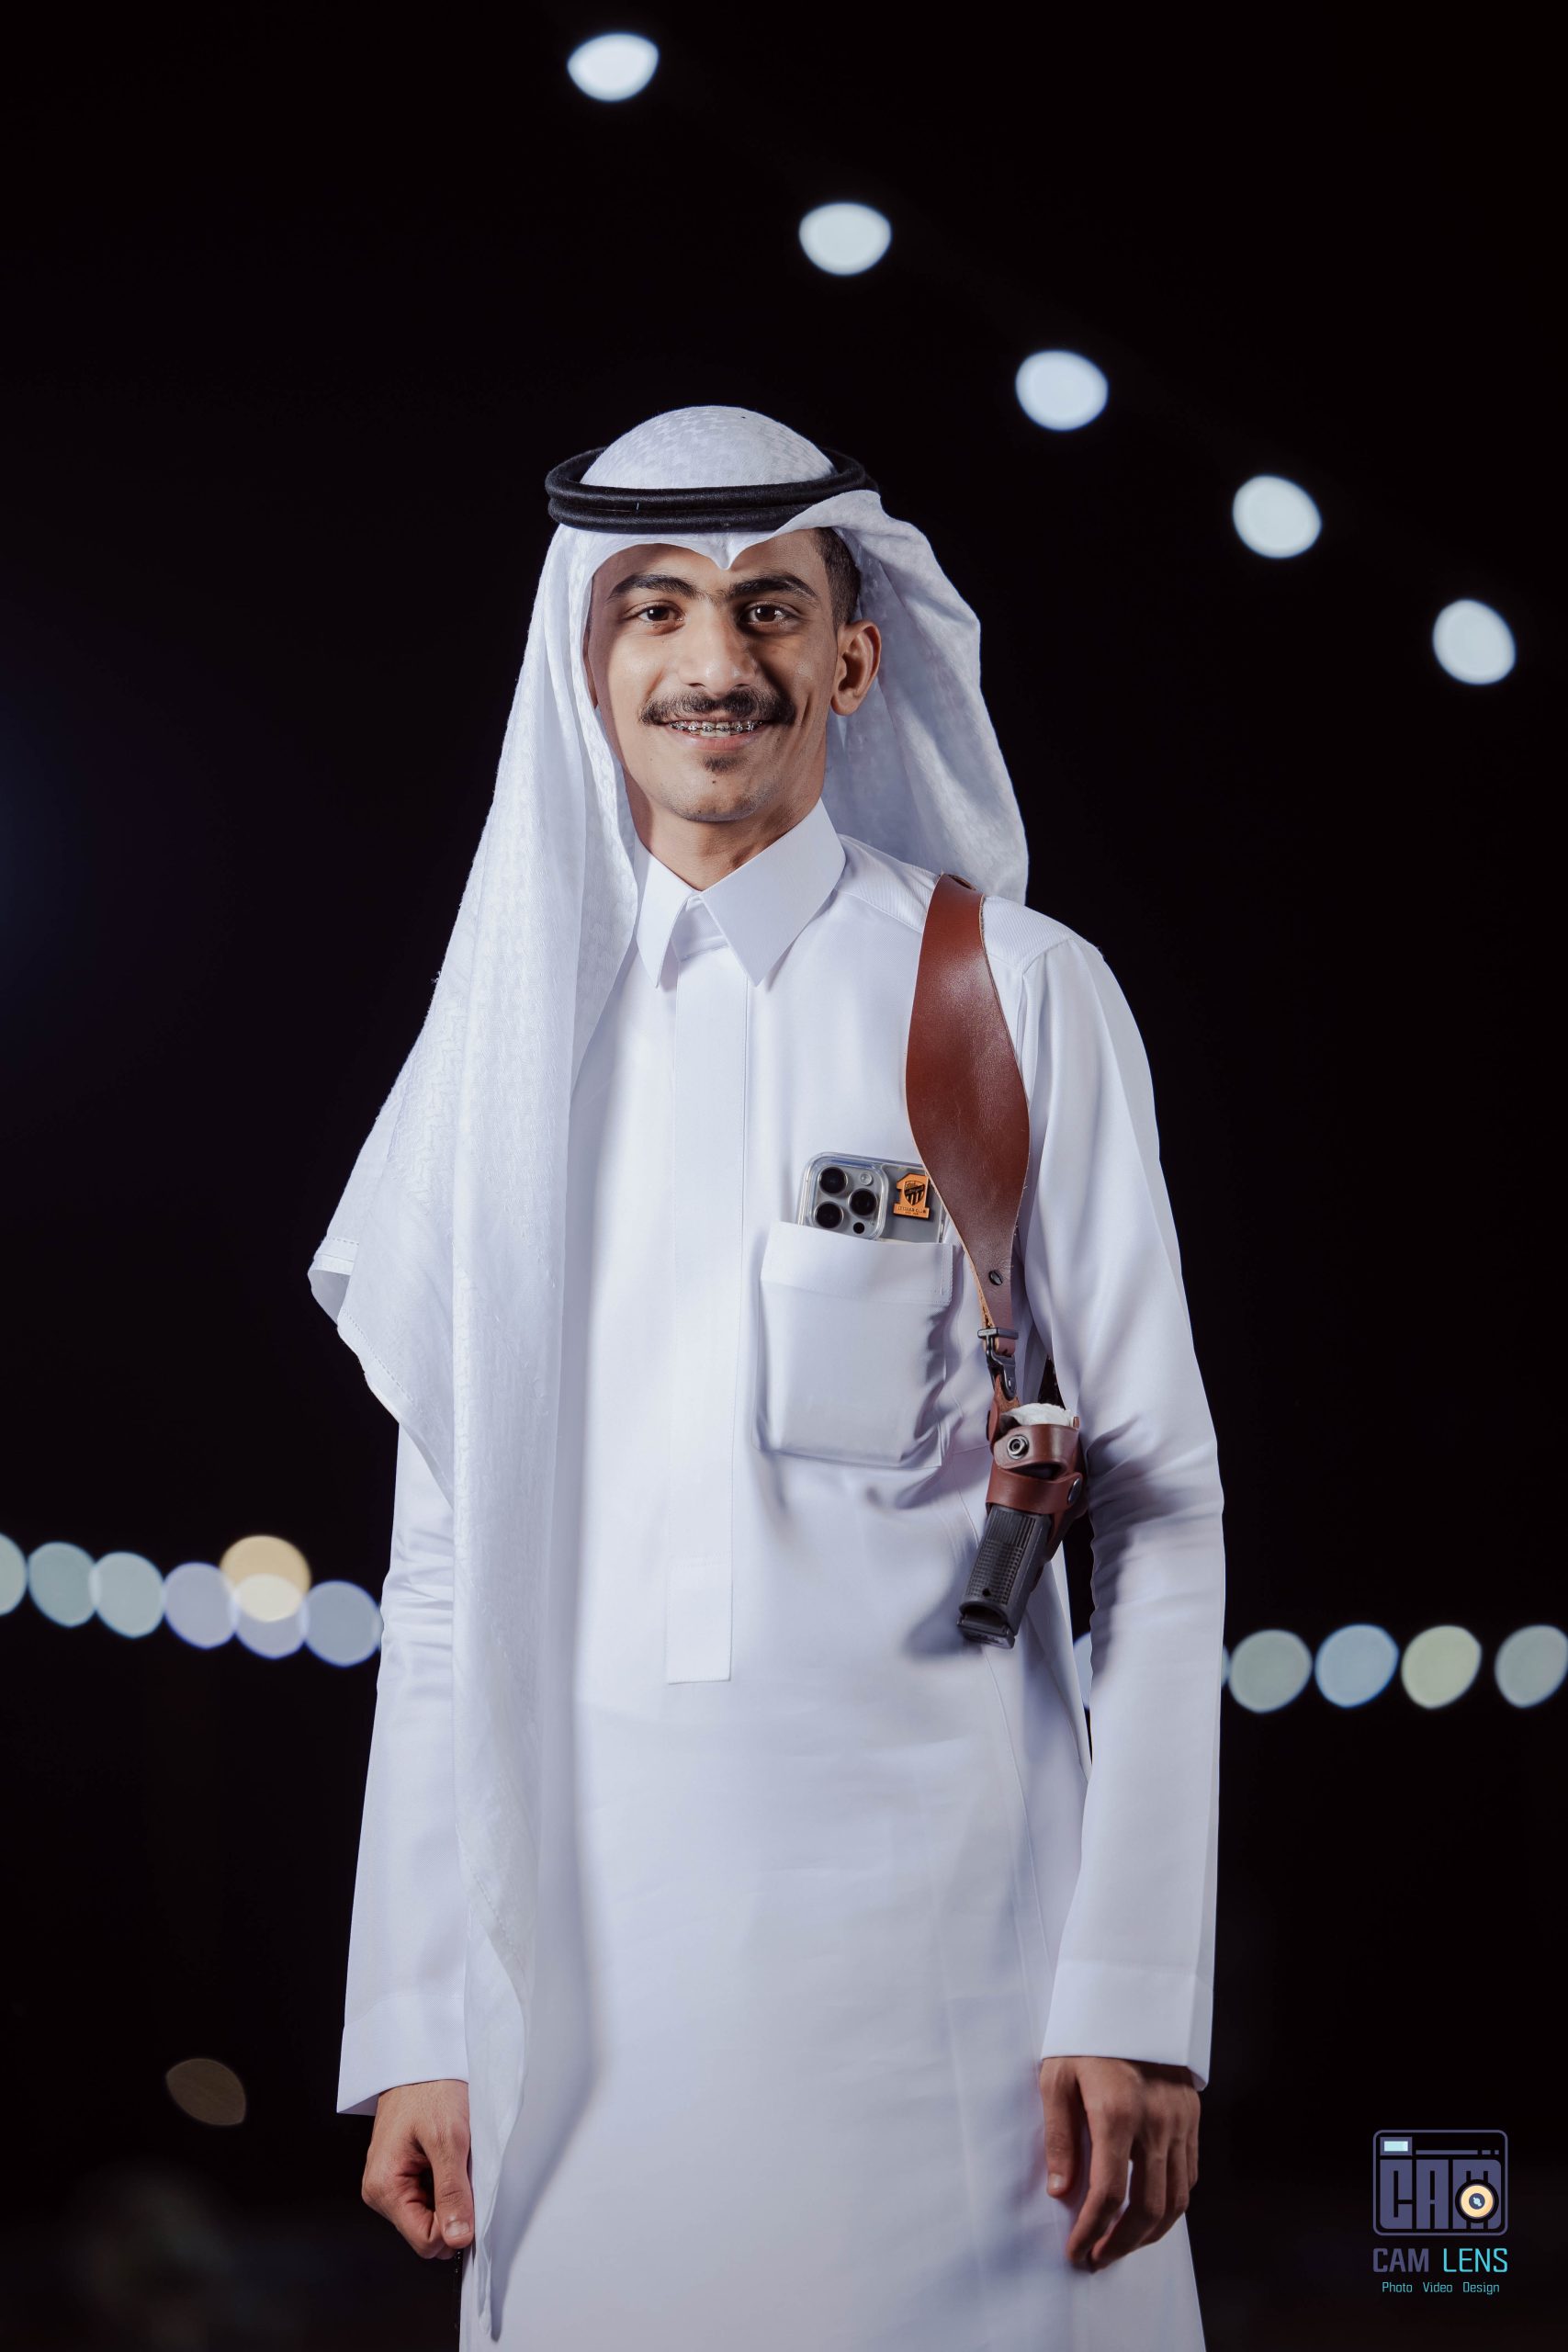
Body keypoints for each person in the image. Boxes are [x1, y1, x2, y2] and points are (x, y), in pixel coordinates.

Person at [310, 406, 1226, 2348]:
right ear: (586, 662)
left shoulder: (1011, 995)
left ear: (854, 657)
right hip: (583, 2016)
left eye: (767, 608)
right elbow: (447, 1574)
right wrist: (417, 2017)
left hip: (969, 2002)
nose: (711, 661)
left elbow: (1156, 1507)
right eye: (652, 609)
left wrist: (1134, 1991)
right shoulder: (502, 1060)